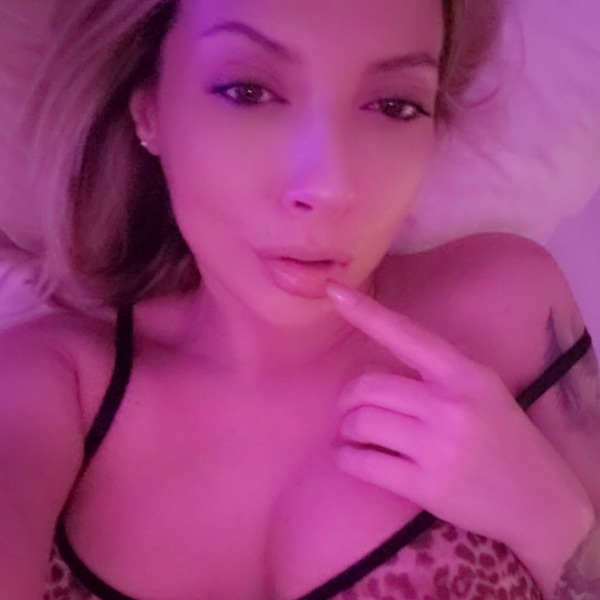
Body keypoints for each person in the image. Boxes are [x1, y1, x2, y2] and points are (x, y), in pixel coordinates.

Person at [1, 0, 599, 598]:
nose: (329, 186)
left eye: (395, 105)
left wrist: (556, 527)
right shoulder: (49, 386)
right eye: (248, 92)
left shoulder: (506, 307)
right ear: (150, 110)